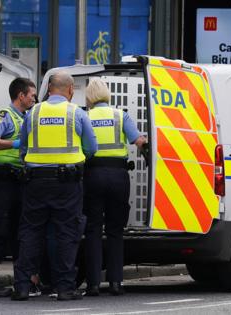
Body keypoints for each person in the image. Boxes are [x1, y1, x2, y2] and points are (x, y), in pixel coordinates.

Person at [12, 71, 97, 301]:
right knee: (66, 234)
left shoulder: (33, 113)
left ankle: (21, 286)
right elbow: (91, 148)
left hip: (35, 182)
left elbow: (23, 149)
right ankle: (64, 288)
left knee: (31, 232)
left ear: (49, 89)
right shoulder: (76, 113)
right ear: (70, 90)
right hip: (67, 183)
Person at [83, 77, 146, 296]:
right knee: (115, 231)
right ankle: (116, 283)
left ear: (89, 96)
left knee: (92, 229)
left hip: (92, 175)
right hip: (118, 176)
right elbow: (139, 141)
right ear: (107, 94)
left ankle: (92, 284)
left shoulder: (85, 116)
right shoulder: (120, 115)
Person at [0, 78, 37, 297]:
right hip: (4, 179)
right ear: (21, 95)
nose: (34, 98)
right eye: (31, 94)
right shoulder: (5, 115)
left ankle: (23, 280)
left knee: (19, 232)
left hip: (19, 180)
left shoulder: (26, 116)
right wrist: (15, 143)